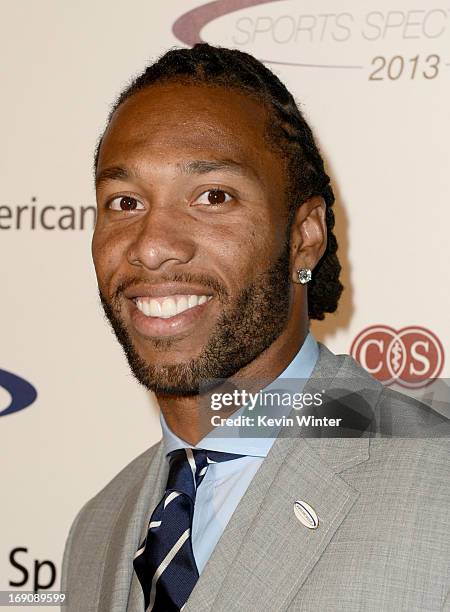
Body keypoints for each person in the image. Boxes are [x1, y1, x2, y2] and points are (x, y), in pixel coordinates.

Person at [61, 44, 449, 612]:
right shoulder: (97, 528)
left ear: (304, 236)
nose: (151, 245)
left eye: (212, 196)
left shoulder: (437, 487)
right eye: (124, 201)